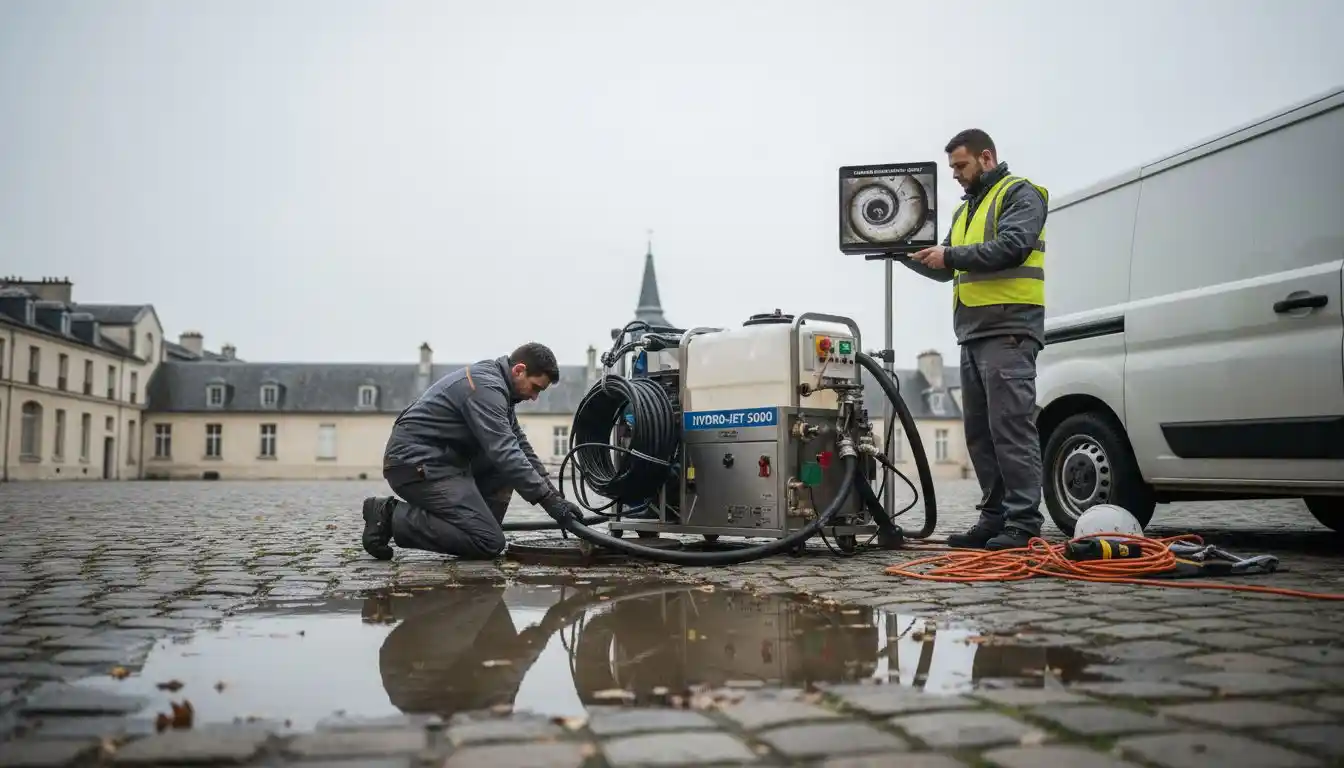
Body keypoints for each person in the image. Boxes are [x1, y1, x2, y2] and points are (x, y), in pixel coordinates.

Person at [902, 128, 1049, 551]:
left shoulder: (1021, 194)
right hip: (972, 334)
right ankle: (994, 518)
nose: (955, 176)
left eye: (960, 166)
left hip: (1009, 331)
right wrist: (902, 254)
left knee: (1011, 429)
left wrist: (950, 255)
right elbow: (947, 266)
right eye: (951, 168)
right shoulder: (966, 211)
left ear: (987, 158)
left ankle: (1022, 524)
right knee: (981, 434)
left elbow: (1013, 246)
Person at [359, 342, 581, 560]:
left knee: (501, 476)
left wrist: (556, 498)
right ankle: (388, 515)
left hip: (440, 463)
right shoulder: (485, 388)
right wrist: (550, 504)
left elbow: (520, 448)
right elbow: (506, 452)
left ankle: (479, 527)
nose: (534, 397)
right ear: (519, 370)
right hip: (415, 465)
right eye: (535, 388)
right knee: (488, 542)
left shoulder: (499, 388)